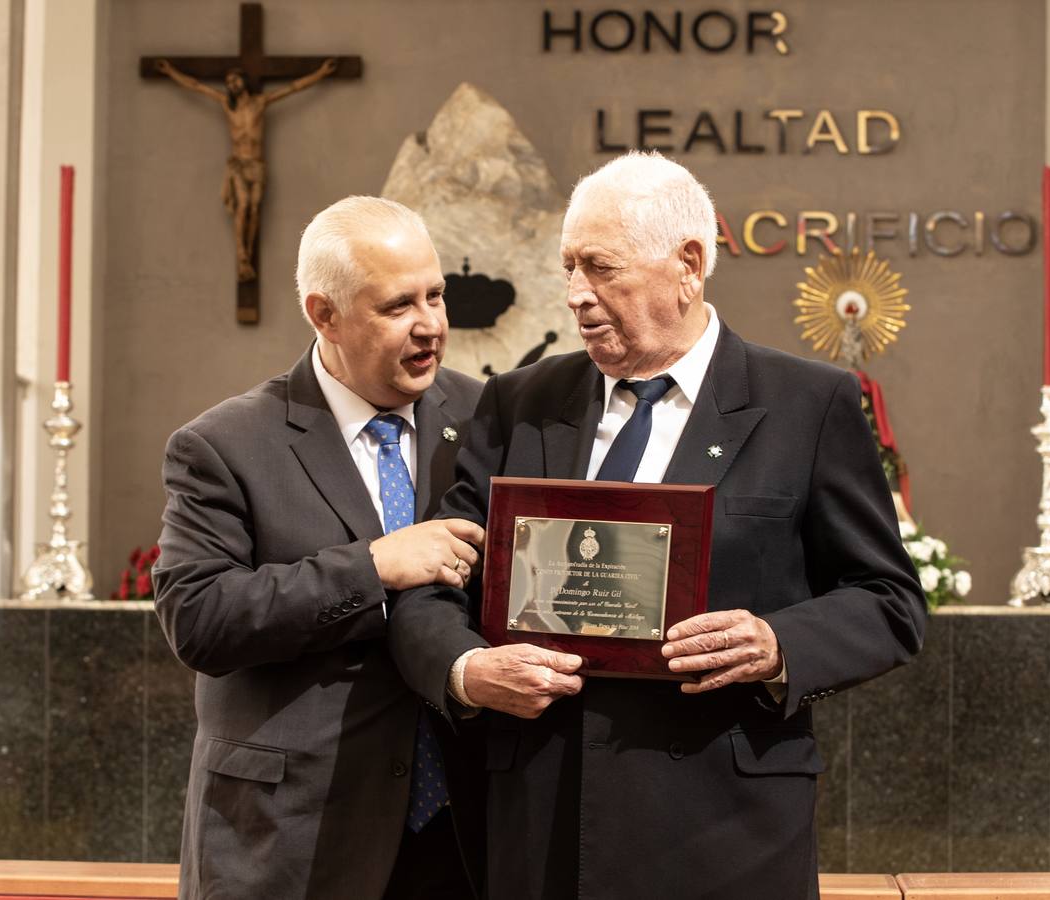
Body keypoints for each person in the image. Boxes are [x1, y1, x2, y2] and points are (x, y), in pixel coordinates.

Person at [389, 152, 927, 899]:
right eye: (569, 267)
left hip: (725, 830)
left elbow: (889, 601)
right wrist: (465, 671)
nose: (575, 294)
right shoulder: (519, 402)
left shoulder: (808, 404)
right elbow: (432, 581)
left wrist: (778, 645)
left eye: (601, 268)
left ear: (689, 265)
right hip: (544, 824)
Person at [154, 197, 487, 899]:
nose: (430, 324)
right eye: (398, 305)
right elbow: (198, 618)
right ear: (324, 314)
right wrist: (373, 567)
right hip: (295, 840)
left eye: (435, 296)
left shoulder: (487, 418)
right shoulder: (224, 445)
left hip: (464, 839)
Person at [153, 58, 338, 281]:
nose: (231, 84)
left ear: (244, 81)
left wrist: (321, 73)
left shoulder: (260, 102)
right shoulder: (226, 104)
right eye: (228, 82)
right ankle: (242, 255)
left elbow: (293, 88)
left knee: (254, 208)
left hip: (257, 165)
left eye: (235, 79)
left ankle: (247, 254)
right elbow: (196, 86)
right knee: (243, 206)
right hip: (239, 165)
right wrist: (171, 71)